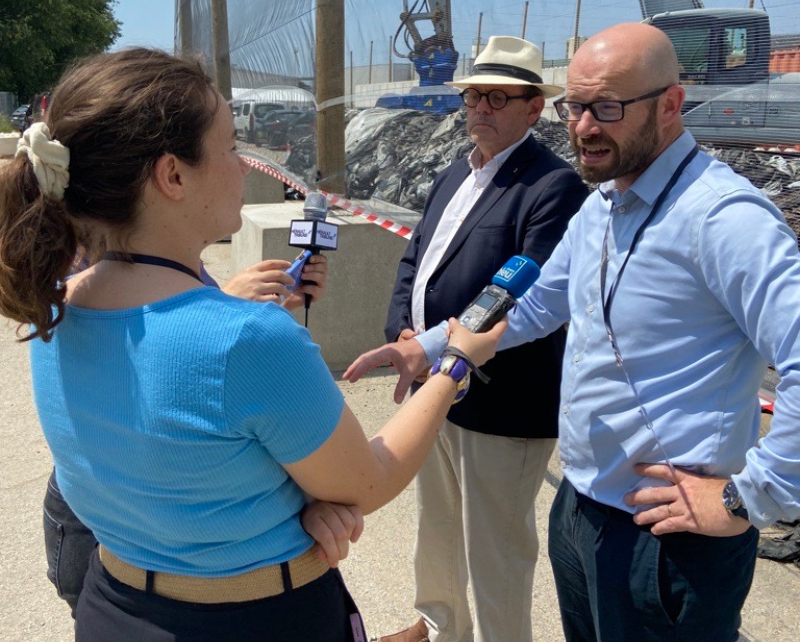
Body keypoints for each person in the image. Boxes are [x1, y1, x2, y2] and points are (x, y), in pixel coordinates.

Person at [0, 47, 505, 642]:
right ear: (173, 176)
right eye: (232, 147)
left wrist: (289, 502)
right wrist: (454, 364)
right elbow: (367, 480)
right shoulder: (245, 339)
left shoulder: (53, 308)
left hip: (113, 605)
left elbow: (175, 461)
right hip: (257, 619)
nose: (244, 167)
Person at [346, 22, 800, 642]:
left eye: (606, 108)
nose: (583, 127)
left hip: (668, 538)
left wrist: (749, 498)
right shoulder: (601, 206)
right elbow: (534, 306)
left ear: (671, 104)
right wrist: (427, 349)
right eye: (576, 107)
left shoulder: (723, 218)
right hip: (582, 509)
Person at [347, 35, 587, 642]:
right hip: (435, 387)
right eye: (474, 95)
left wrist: (427, 347)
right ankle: (439, 626)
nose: (480, 107)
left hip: (501, 398)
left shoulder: (553, 187)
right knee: (438, 526)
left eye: (498, 98)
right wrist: (404, 330)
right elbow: (415, 260)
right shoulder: (457, 171)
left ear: (534, 108)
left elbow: (519, 297)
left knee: (495, 551)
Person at [42, 251, 332, 618]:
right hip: (101, 525)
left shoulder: (160, 250)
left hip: (124, 513)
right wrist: (218, 310)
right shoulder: (82, 271)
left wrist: (252, 307)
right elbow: (143, 366)